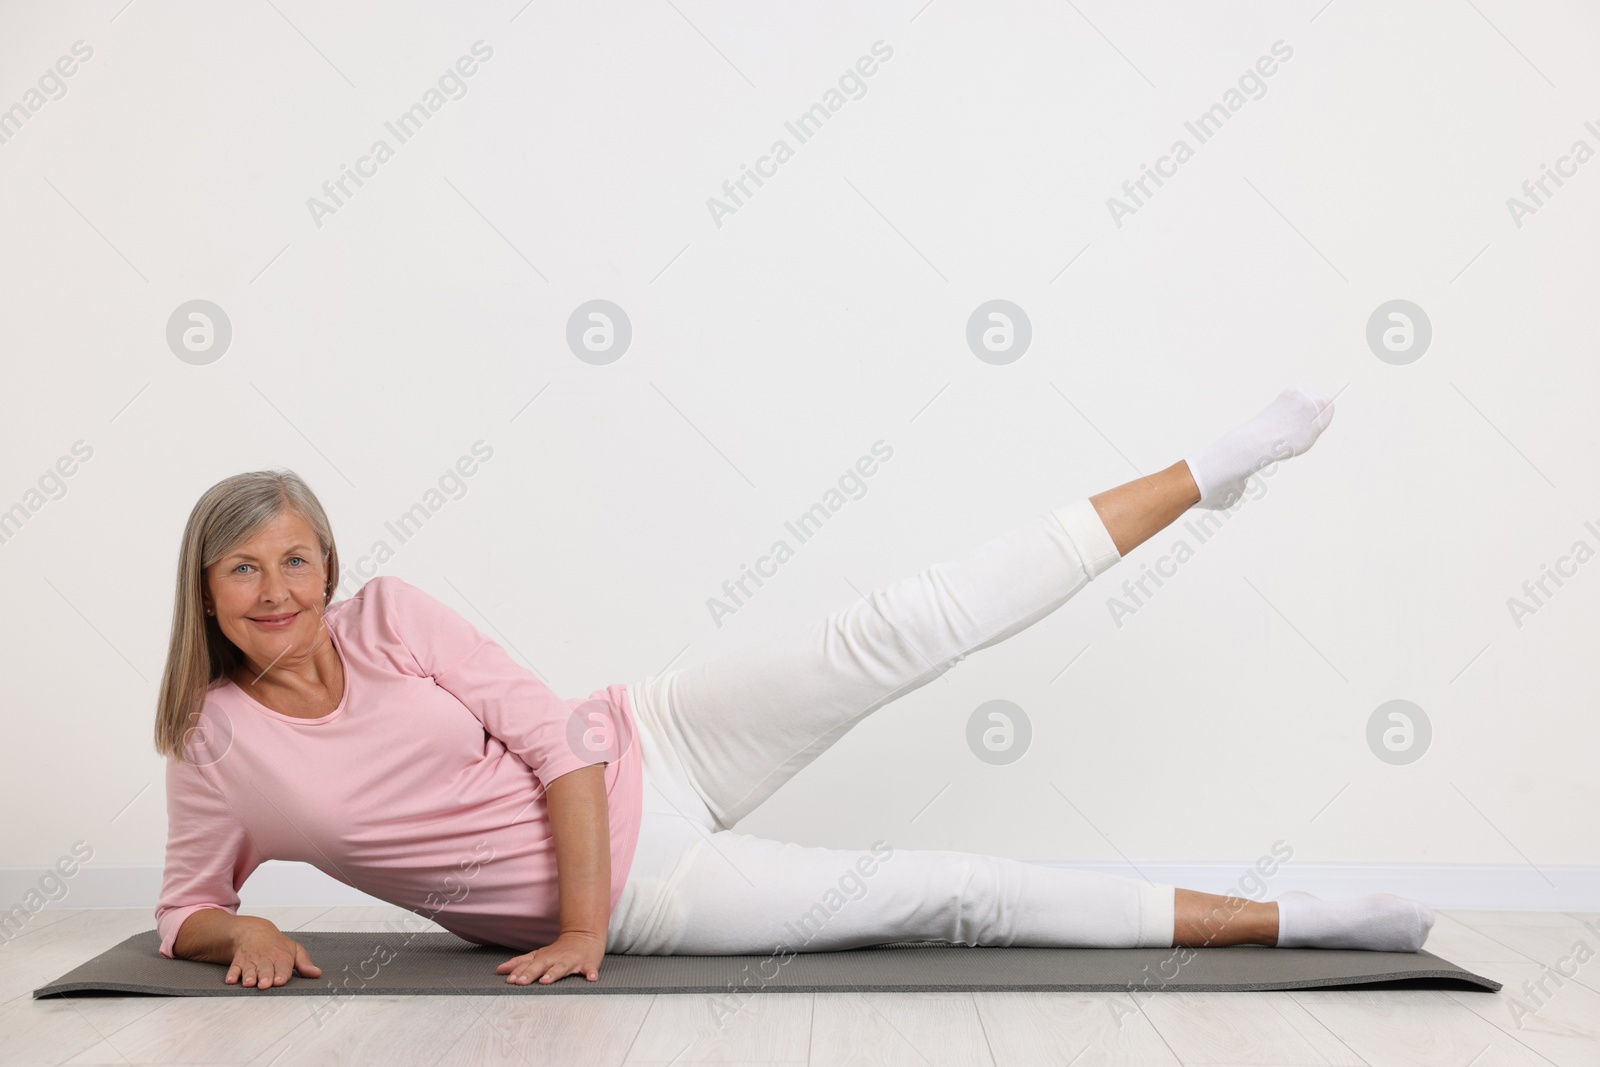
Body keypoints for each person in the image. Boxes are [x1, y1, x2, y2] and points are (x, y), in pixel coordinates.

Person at [153, 386, 1435, 991]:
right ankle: (1296, 920)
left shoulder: (391, 615)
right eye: (243, 570)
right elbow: (183, 907)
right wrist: (243, 930)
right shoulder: (215, 747)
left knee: (895, 624)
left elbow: (557, 744)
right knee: (956, 894)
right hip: (656, 892)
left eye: (297, 559)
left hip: (643, 738)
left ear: (332, 562)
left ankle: (1203, 470)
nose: (276, 591)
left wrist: (577, 933)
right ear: (204, 595)